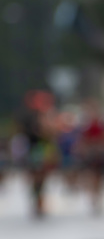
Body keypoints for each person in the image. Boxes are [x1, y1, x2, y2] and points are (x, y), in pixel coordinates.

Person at [18, 91, 59, 219]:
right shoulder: (29, 118)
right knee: (36, 178)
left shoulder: (47, 116)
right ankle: (37, 203)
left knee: (41, 178)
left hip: (43, 150)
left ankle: (39, 203)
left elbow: (51, 134)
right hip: (34, 149)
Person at [77, 101, 104, 216]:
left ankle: (97, 196)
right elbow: (83, 140)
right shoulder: (87, 126)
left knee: (99, 177)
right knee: (91, 176)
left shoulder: (102, 125)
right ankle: (93, 197)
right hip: (91, 154)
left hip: (99, 154)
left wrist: (102, 146)